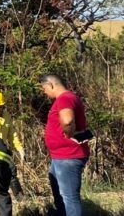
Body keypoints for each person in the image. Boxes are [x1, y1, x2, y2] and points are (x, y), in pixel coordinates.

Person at [40, 74, 90, 216]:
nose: (44, 92)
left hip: (68, 156)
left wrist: (68, 134)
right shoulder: (67, 98)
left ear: (51, 85)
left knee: (69, 197)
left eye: (44, 89)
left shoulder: (64, 98)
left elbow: (67, 120)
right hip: (60, 157)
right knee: (60, 193)